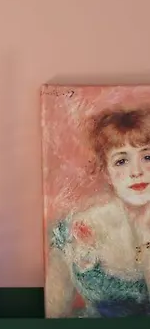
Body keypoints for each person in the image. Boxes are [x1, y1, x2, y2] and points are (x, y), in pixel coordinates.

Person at [46, 107, 150, 318]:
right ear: (107, 172)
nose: (137, 172)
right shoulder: (76, 229)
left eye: (147, 157)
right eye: (121, 161)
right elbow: (54, 314)